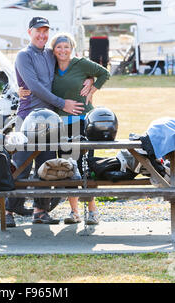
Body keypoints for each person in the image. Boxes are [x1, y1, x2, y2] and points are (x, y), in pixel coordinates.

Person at [5, 17, 92, 227]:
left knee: (46, 166)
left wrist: (91, 78)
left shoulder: (50, 54)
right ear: (29, 32)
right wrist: (63, 103)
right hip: (27, 118)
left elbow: (71, 64)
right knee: (22, 165)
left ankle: (40, 210)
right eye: (38, 31)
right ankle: (8, 210)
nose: (42, 35)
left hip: (50, 121)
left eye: (45, 31)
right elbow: (34, 86)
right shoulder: (23, 56)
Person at [19, 32, 110, 225]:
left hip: (81, 123)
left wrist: (92, 85)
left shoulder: (80, 63)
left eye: (66, 47)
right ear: (54, 50)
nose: (63, 50)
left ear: (72, 48)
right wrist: (20, 90)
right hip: (58, 125)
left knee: (84, 166)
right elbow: (36, 84)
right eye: (59, 47)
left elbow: (104, 73)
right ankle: (74, 212)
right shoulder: (50, 65)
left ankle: (92, 211)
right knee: (67, 168)